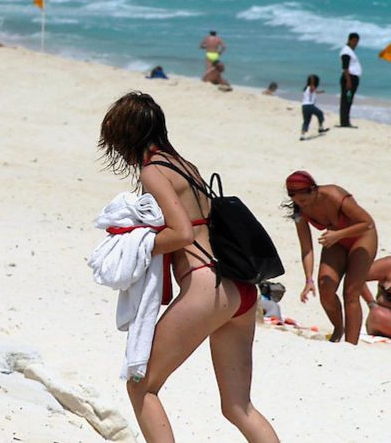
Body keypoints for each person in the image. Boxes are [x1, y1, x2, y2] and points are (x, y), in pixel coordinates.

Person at [98, 92, 279, 443]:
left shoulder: (153, 171)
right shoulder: (186, 166)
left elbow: (181, 233)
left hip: (205, 286)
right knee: (238, 407)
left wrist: (137, 243)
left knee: (141, 386)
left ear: (126, 135)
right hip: (240, 289)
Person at [285, 170, 378, 344]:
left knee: (351, 292)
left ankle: (351, 344)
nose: (301, 204)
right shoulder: (299, 211)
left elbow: (367, 223)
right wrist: (308, 280)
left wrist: (339, 234)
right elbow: (306, 247)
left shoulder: (334, 195)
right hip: (335, 239)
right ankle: (338, 328)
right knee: (325, 288)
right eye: (297, 201)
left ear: (313, 189)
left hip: (362, 237)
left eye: (304, 200)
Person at [338, 32, 361, 128]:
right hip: (349, 78)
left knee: (348, 100)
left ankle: (345, 121)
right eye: (354, 41)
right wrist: (348, 81)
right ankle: (344, 122)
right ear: (349, 40)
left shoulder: (350, 51)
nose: (355, 43)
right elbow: (345, 68)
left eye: (357, 41)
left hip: (352, 78)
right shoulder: (346, 52)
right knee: (346, 100)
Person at [299, 74, 329, 140]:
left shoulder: (307, 88)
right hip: (309, 105)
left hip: (304, 106)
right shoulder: (310, 87)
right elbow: (313, 89)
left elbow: (314, 92)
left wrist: (320, 92)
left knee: (306, 121)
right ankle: (320, 128)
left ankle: (302, 135)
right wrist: (312, 80)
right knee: (320, 113)